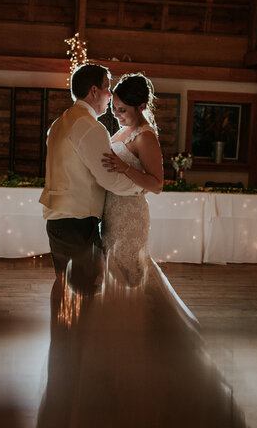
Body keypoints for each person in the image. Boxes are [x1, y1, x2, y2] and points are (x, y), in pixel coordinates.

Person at [39, 64, 142, 303]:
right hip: (78, 223)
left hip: (57, 221)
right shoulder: (90, 126)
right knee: (88, 294)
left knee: (67, 293)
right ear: (94, 91)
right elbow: (108, 179)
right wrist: (141, 186)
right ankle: (81, 340)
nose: (110, 95)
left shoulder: (59, 123)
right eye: (107, 88)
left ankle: (66, 340)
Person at [99, 73, 165, 285]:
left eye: (122, 109)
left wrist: (125, 167)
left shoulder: (145, 136)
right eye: (114, 107)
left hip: (131, 215)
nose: (116, 114)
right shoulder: (123, 131)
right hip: (112, 213)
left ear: (141, 106)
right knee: (112, 270)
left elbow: (156, 184)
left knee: (130, 276)